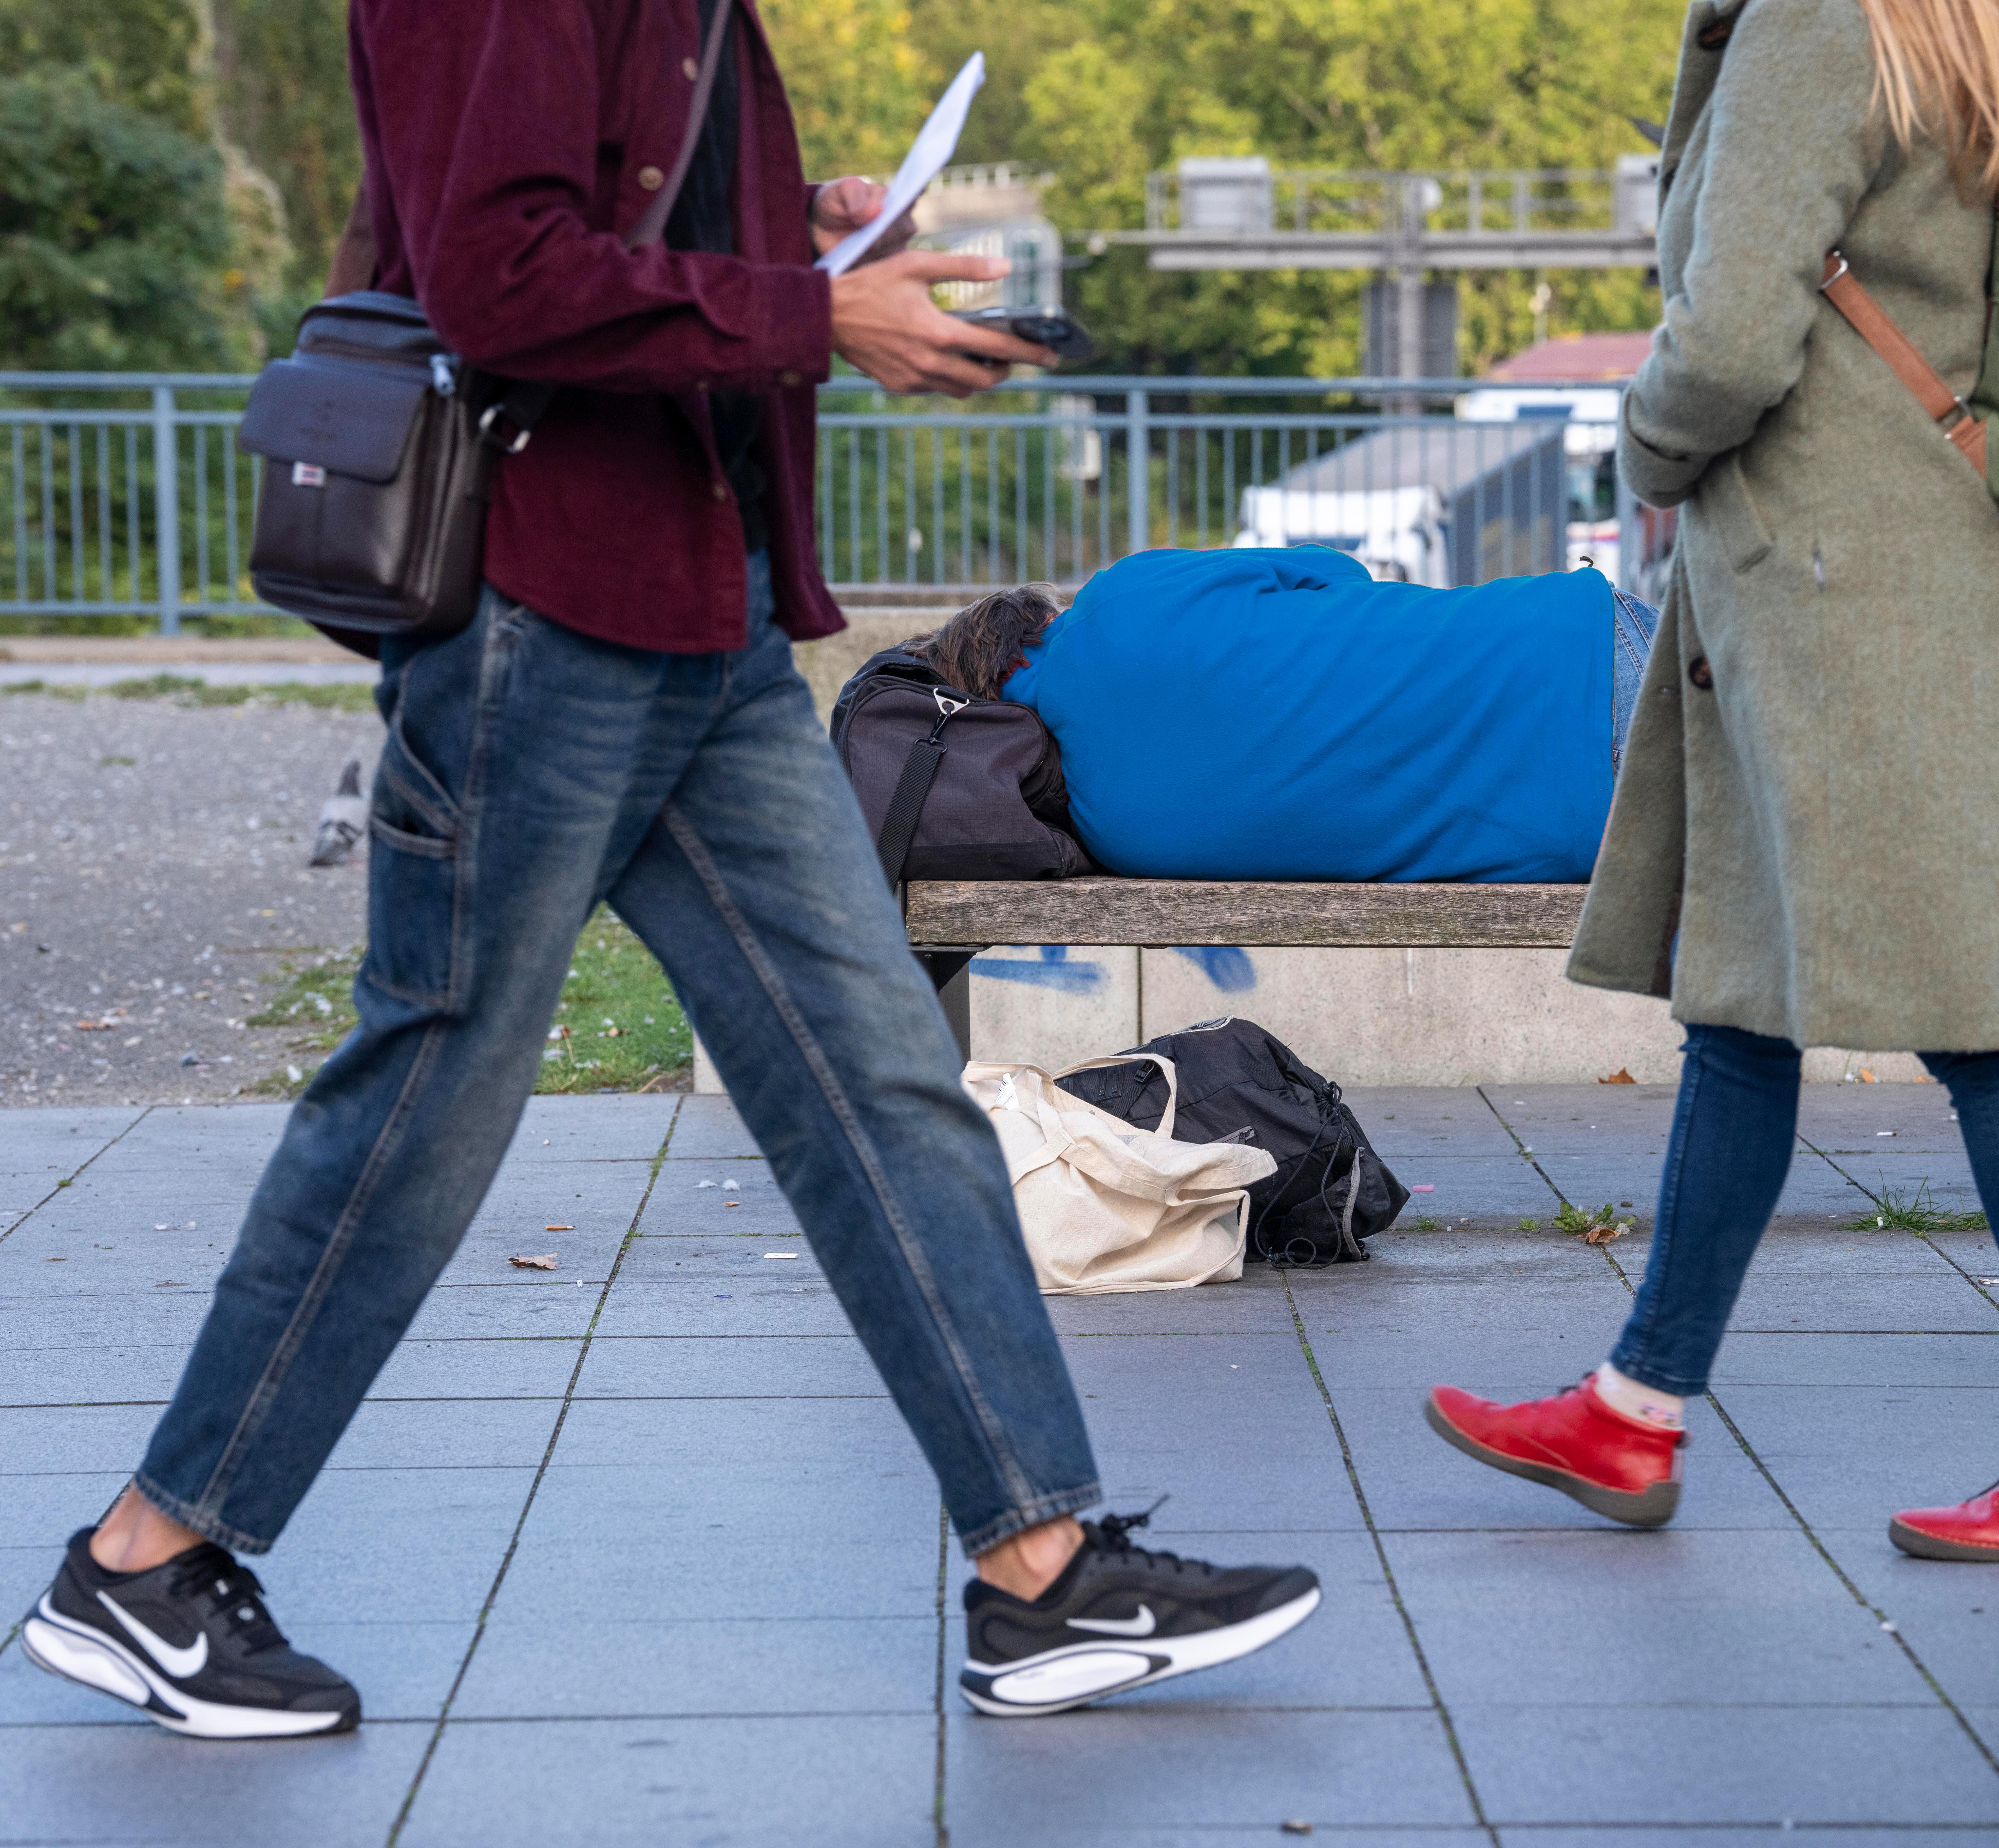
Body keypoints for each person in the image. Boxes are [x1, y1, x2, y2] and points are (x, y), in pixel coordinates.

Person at [14, 0, 1318, 1739]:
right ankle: (149, 1560)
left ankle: (1043, 1575)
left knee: (884, 1088)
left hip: (697, 628)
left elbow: (604, 214)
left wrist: (803, 244)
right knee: (428, 1104)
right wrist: (809, 308)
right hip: (539, 628)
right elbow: (494, 273)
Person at [1423, 0, 1999, 1557]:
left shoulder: (1820, 24)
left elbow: (1730, 334)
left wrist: (1644, 454)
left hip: (1836, 574)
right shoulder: (1994, 23)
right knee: (1747, 998)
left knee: (1983, 1019)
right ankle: (1638, 1410)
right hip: (1952, 548)